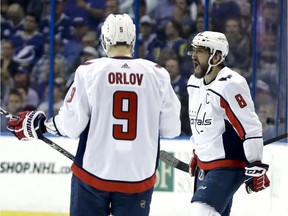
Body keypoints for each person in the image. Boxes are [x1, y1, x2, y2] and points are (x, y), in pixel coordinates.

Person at [7, 13, 181, 216]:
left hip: (94, 175)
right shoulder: (158, 74)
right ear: (133, 39)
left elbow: (70, 126)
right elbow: (171, 130)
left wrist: (40, 125)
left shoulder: (90, 71)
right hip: (138, 178)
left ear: (105, 39)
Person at [186, 31, 270, 216]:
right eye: (193, 50)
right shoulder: (194, 83)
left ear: (216, 56)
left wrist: (255, 163)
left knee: (201, 211)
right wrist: (197, 152)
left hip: (228, 164)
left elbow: (250, 127)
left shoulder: (230, 84)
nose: (193, 56)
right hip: (205, 164)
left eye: (199, 51)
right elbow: (200, 124)